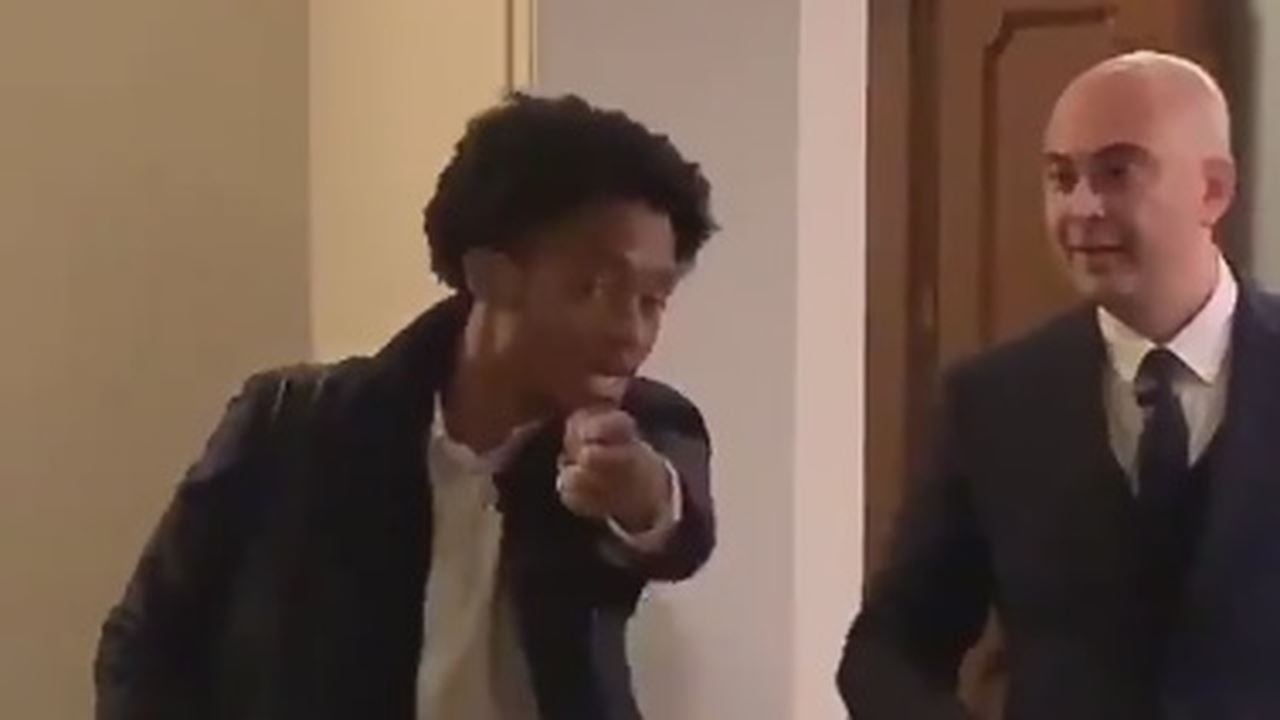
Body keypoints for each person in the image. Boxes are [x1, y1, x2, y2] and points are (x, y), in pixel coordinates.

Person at [95, 93, 719, 720]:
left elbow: (675, 520)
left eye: (653, 300)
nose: (631, 332)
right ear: (491, 274)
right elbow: (147, 644)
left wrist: (640, 495)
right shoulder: (295, 425)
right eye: (597, 288)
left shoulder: (642, 428)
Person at [839, 50, 1280, 718]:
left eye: (1117, 173)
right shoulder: (995, 403)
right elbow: (888, 650)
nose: (1081, 208)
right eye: (1061, 177)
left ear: (1212, 190)